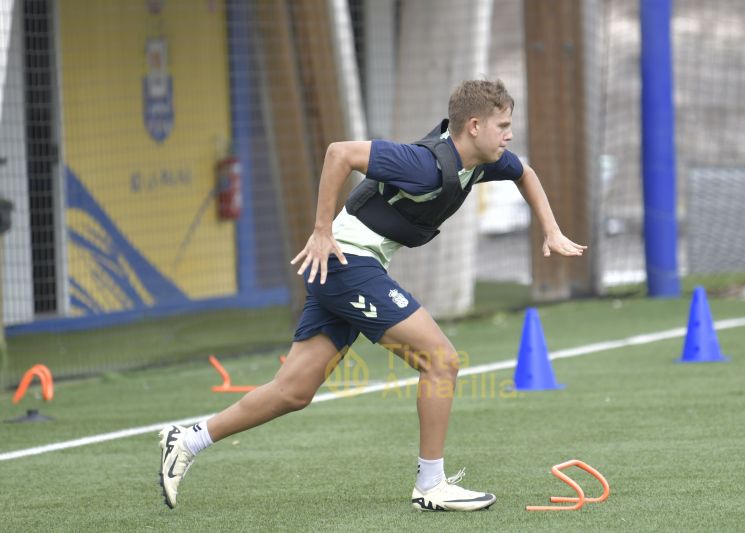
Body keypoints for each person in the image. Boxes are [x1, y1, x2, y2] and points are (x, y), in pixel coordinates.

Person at [158, 79, 586, 512]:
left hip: (348, 268)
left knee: (294, 391)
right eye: (503, 125)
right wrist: (321, 230)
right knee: (441, 360)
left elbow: (524, 173)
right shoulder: (423, 164)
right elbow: (339, 153)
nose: (510, 135)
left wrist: (551, 229)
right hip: (347, 263)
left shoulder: (480, 161)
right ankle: (431, 486)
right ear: (474, 126)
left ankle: (188, 439)